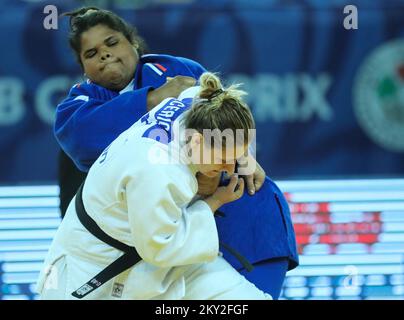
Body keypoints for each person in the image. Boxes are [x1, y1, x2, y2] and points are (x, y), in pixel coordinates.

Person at [54, 7, 298, 299]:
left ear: (133, 42)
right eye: (91, 54)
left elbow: (226, 113)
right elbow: (84, 141)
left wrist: (243, 156)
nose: (104, 54)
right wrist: (153, 99)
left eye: (111, 42)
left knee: (257, 196)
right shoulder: (77, 107)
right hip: (140, 233)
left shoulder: (176, 69)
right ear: (83, 68)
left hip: (222, 212)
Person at [37, 72, 273, 300]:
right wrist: (215, 201)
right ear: (198, 140)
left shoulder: (200, 106)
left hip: (165, 260)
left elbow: (204, 92)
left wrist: (245, 156)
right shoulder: (159, 171)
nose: (230, 170)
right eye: (223, 160)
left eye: (235, 159)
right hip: (95, 265)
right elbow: (160, 248)